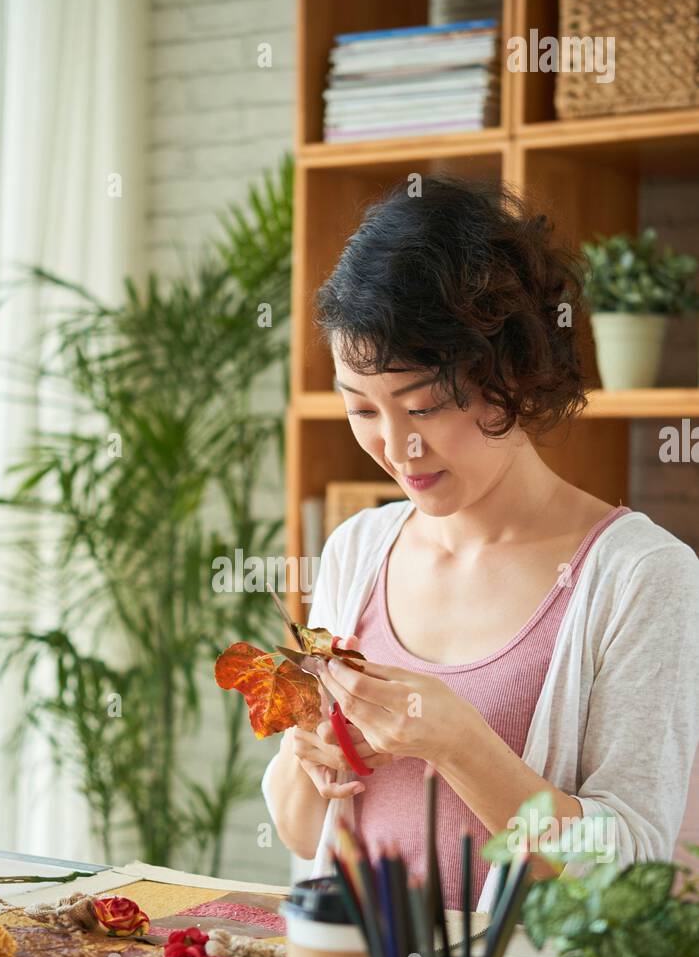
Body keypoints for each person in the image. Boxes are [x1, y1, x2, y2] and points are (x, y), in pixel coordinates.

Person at [262, 176, 699, 911]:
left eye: (426, 406)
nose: (397, 447)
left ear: (513, 374)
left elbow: (628, 871)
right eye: (361, 408)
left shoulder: (638, 576)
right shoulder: (356, 548)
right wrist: (304, 756)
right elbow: (303, 834)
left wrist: (459, 746)